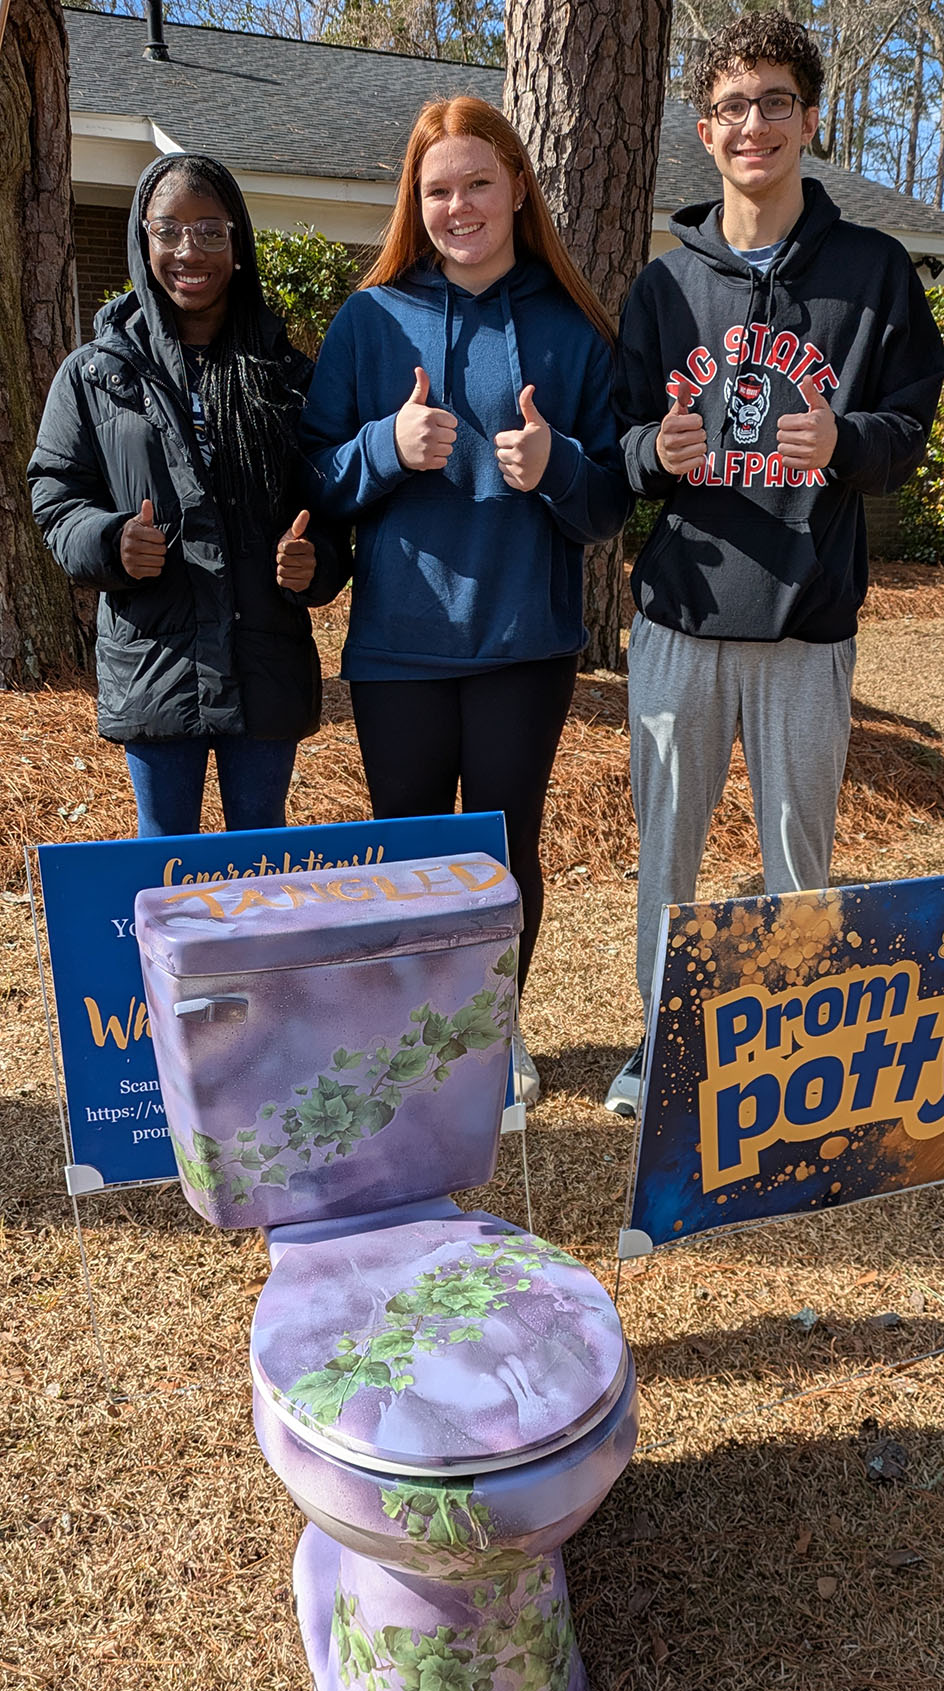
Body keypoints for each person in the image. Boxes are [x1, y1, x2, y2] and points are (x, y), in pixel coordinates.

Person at [606, 9, 944, 1116]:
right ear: (705, 133)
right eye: (733, 108)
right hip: (679, 621)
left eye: (775, 104)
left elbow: (909, 431)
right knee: (670, 859)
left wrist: (845, 441)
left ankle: (791, 1055)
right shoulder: (666, 288)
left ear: (808, 118)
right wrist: (650, 452)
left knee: (799, 866)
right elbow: (615, 443)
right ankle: (660, 1049)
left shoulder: (873, 272)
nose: (755, 125)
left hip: (807, 623)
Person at [300, 95, 631, 1106]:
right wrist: (380, 450)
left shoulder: (571, 332)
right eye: (438, 189)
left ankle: (491, 1036)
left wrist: (557, 463)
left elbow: (612, 500)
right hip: (397, 645)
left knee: (500, 853)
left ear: (517, 187)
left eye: (478, 182)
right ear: (417, 201)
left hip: (522, 643)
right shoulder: (371, 319)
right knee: (407, 856)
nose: (459, 206)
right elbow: (312, 479)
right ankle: (411, 1038)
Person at [29, 154, 351, 838]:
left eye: (210, 231)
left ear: (237, 245)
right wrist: (112, 542)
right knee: (165, 860)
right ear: (142, 242)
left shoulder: (286, 375)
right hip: (156, 660)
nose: (189, 251)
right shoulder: (94, 375)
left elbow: (328, 506)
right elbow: (56, 497)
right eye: (168, 230)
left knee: (260, 859)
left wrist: (313, 563)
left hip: (264, 658)